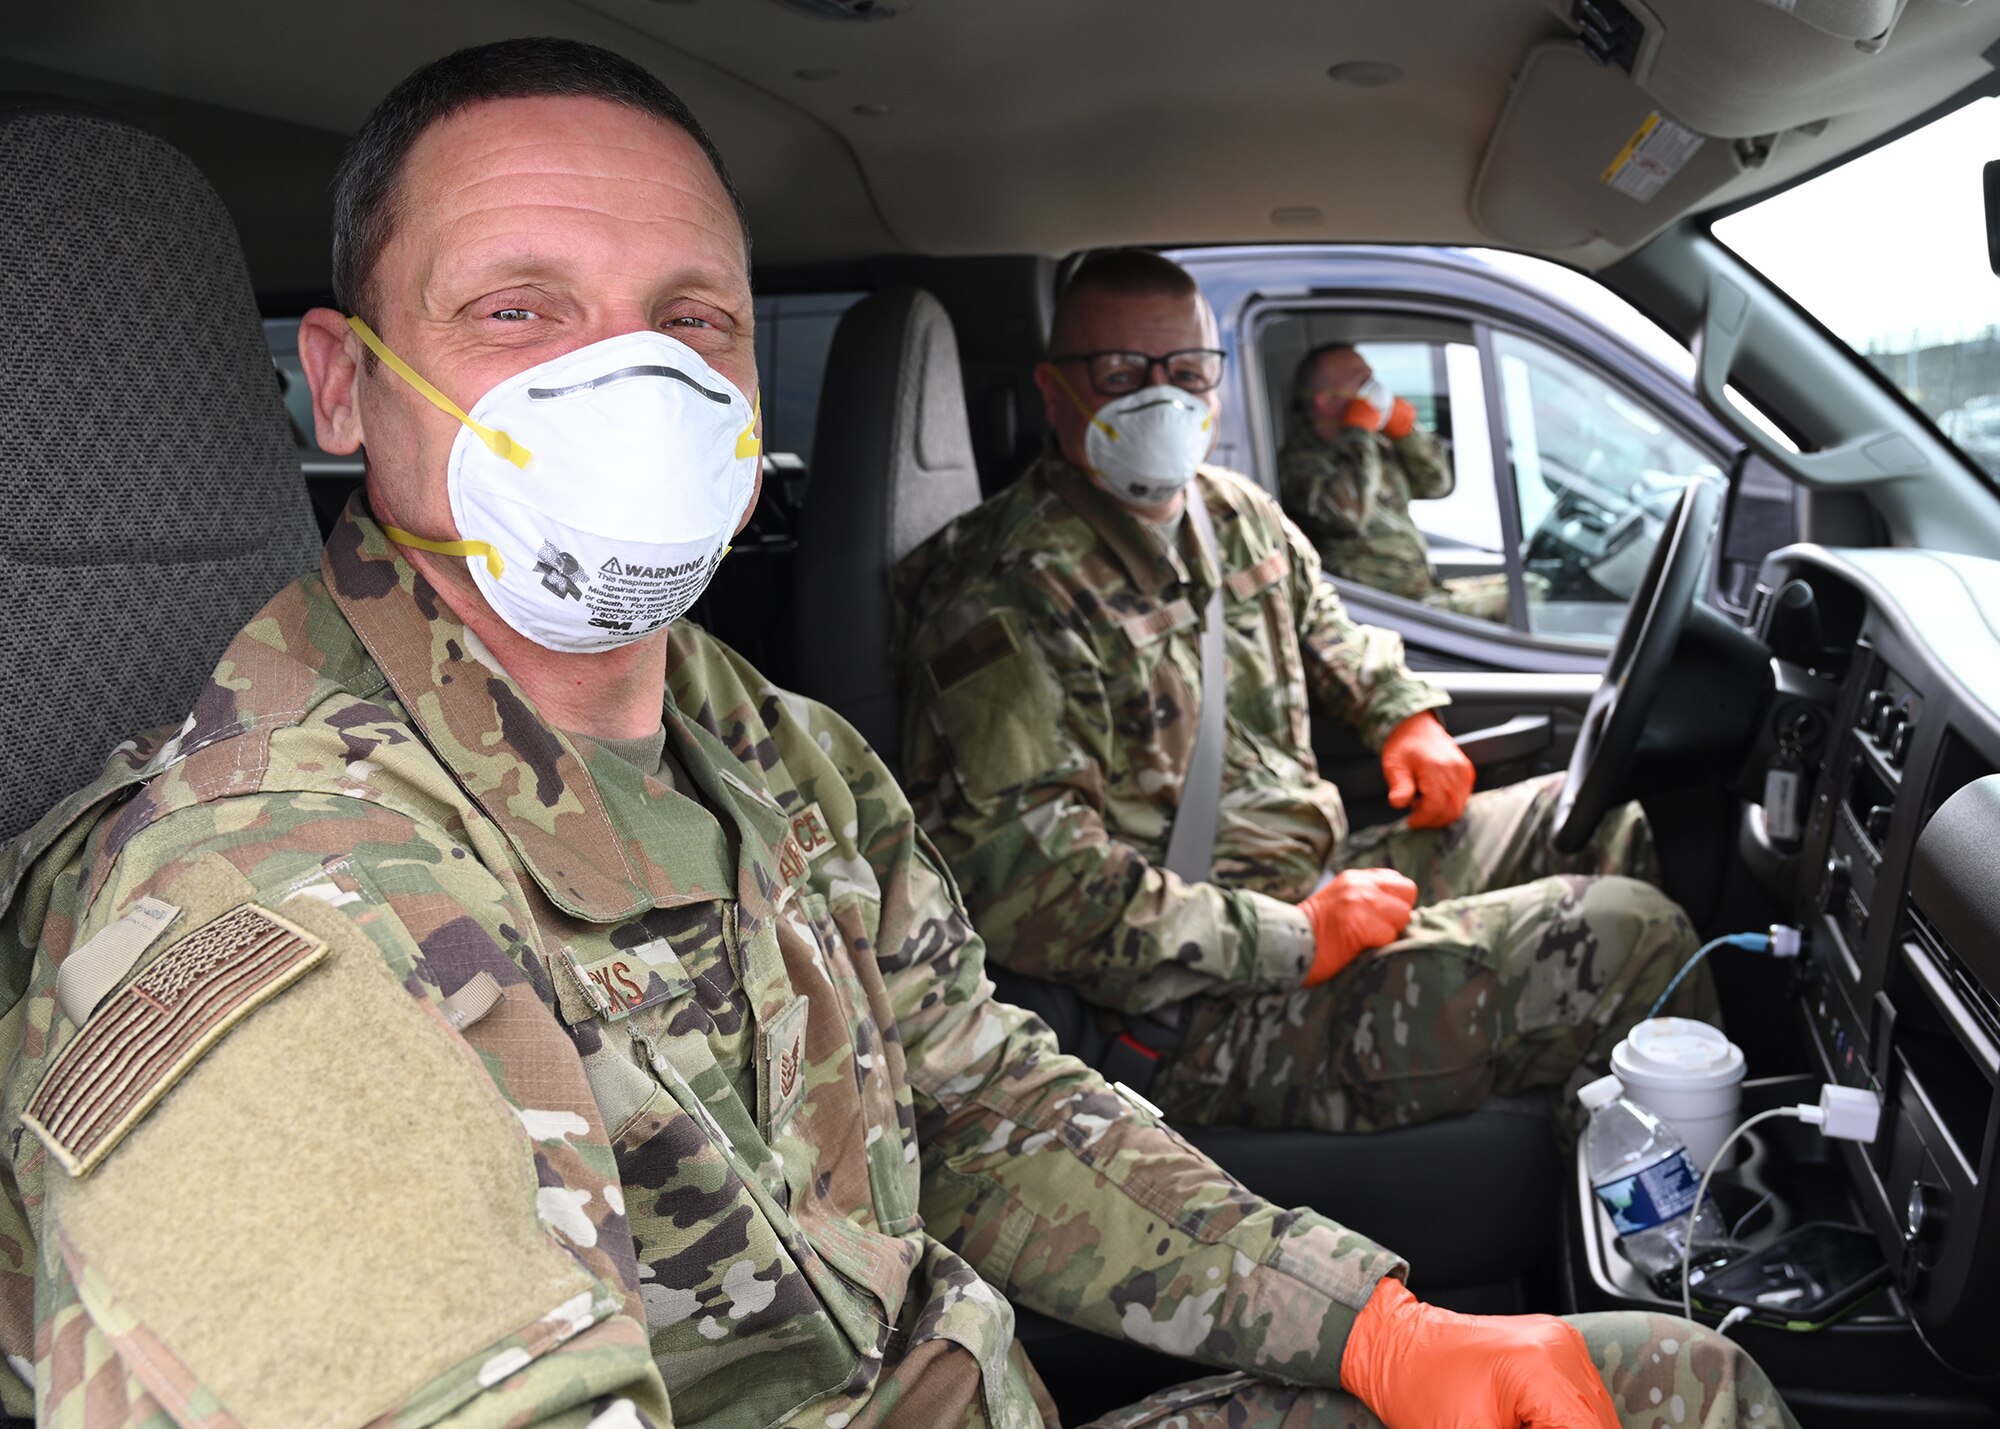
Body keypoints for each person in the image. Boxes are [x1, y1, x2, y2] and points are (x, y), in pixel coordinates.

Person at [0, 40, 1790, 1429]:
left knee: (1658, 1385)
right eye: (517, 311)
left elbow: (977, 1094)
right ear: (339, 383)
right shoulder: (277, 908)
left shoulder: (769, 746)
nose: (626, 379)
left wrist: (1372, 1319)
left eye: (689, 319)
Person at [896, 250, 1704, 1139]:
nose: (1159, 397)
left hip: (1308, 880)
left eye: (1187, 370)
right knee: (1635, 934)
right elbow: (1033, 887)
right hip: (1202, 1007)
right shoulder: (1007, 592)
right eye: (1121, 373)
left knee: (1594, 818)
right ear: (1055, 393)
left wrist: (1403, 714)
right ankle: (1672, 1233)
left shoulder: (1232, 510)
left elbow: (1330, 630)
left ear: (1216, 378)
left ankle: (1583, 1135)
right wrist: (1298, 935)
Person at [1279, 343, 1516, 622]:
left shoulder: (1374, 447)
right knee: (1519, 604)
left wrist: (1406, 434)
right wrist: (1359, 433)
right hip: (1379, 609)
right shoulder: (1302, 463)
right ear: (1325, 401)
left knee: (1531, 588)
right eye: (1362, 380)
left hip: (1419, 593)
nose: (1375, 387)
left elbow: (1436, 483)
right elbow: (1349, 515)